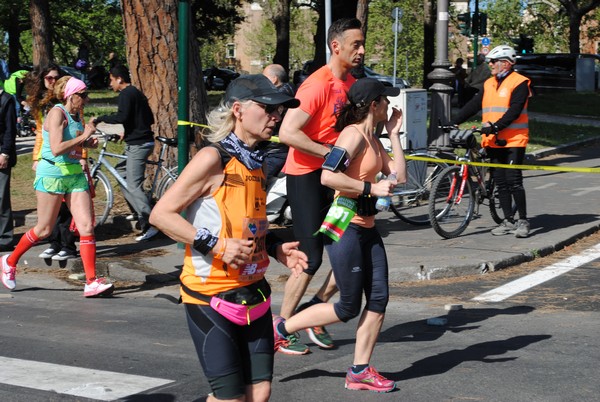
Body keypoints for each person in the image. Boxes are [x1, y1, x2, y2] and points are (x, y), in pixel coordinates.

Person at [149, 74, 308, 402]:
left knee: (260, 393)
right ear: (238, 110)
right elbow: (161, 215)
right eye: (267, 109)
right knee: (230, 398)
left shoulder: (257, 162)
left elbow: (244, 222)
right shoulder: (213, 159)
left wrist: (275, 247)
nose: (276, 116)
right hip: (210, 297)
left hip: (255, 293)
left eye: (279, 110)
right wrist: (217, 245)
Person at [273, 77, 406, 393]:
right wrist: (370, 188)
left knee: (378, 299)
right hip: (345, 225)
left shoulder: (373, 138)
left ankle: (359, 370)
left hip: (367, 227)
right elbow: (328, 176)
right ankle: (281, 327)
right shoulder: (352, 136)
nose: (390, 104)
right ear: (373, 105)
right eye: (385, 100)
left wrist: (394, 135)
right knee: (347, 307)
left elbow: (398, 175)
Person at [276, 17, 365, 355]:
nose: (361, 50)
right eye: (355, 44)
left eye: (362, 43)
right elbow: (288, 133)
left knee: (352, 243)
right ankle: (281, 327)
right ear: (336, 46)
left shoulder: (353, 84)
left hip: (335, 180)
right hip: (307, 178)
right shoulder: (317, 85)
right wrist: (329, 153)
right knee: (311, 256)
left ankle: (317, 310)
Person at [1, 77, 114, 297]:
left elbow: (75, 144)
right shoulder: (56, 113)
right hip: (52, 175)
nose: (86, 99)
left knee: (86, 228)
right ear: (72, 95)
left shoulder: (76, 115)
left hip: (74, 176)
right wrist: (83, 136)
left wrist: (86, 142)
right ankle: (9, 261)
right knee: (43, 229)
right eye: (83, 95)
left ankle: (91, 282)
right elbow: (55, 148)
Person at [452, 45, 531, 238]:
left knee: (514, 181)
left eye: (493, 62)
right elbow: (474, 105)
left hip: (513, 140)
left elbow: (515, 110)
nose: (490, 65)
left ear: (506, 63)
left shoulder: (520, 82)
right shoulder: (489, 83)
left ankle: (523, 221)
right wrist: (453, 120)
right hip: (493, 140)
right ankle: (507, 220)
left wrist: (496, 126)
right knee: (501, 182)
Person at [91, 65, 159, 242]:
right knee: (121, 174)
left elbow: (121, 117)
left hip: (139, 144)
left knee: (134, 184)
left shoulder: (126, 94)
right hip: (138, 141)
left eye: (111, 80)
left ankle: (151, 223)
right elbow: (147, 118)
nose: (110, 83)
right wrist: (127, 131)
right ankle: (139, 211)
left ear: (119, 79)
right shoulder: (135, 93)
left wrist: (100, 119)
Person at [26, 65, 79, 261]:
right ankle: (54, 243)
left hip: (66, 159)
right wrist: (36, 157)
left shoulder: (70, 100)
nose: (52, 81)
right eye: (48, 78)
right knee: (51, 205)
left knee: (65, 206)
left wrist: (82, 156)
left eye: (55, 78)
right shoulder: (42, 104)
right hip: (48, 159)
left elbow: (76, 131)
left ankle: (67, 244)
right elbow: (41, 134)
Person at [260, 64, 295, 181]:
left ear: (274, 79)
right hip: (276, 149)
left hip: (276, 151)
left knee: (259, 182)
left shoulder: (278, 97)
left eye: (264, 77)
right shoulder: (289, 92)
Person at [0, 81, 17, 252]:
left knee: (1, 198)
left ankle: (5, 237)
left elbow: (10, 130)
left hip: (1, 153)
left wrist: (5, 153)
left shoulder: (6, 99)